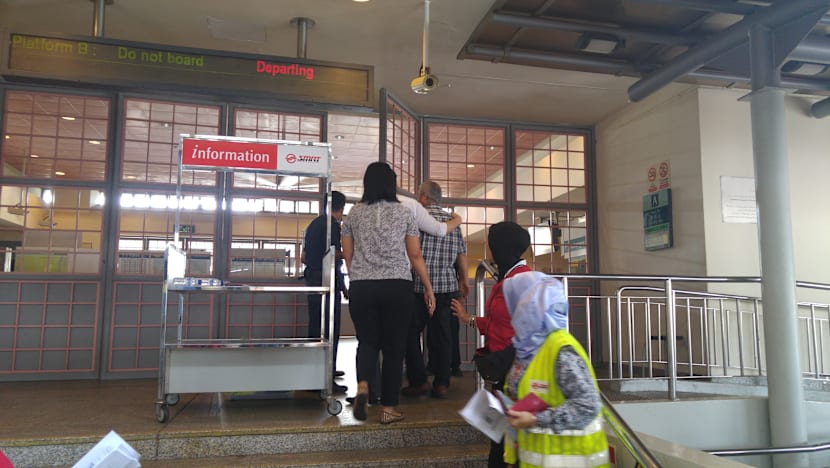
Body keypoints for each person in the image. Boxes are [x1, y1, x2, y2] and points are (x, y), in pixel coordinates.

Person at [342, 162, 436, 424]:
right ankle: (389, 408)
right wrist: (428, 287)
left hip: (362, 285)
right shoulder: (404, 212)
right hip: (397, 285)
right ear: (391, 184)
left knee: (368, 342)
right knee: (395, 348)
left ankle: (363, 385)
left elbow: (347, 255)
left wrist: (360, 275)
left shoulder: (354, 213)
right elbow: (415, 254)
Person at [501, 271, 609, 468]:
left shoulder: (562, 350)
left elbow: (588, 406)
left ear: (531, 306)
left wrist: (536, 419)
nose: (512, 312)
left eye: (517, 304)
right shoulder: (526, 349)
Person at [451, 221, 532, 468]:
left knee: (503, 444)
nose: (488, 247)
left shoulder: (522, 281)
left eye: (490, 242)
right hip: (504, 371)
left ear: (500, 246)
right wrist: (470, 319)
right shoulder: (507, 278)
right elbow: (501, 321)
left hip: (516, 372)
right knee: (499, 440)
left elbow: (529, 328)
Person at [401, 181, 467, 399]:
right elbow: (461, 253)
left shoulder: (416, 216)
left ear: (424, 197)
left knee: (410, 334)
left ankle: (419, 380)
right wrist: (464, 279)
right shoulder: (452, 221)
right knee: (443, 336)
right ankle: (442, 383)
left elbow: (412, 253)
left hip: (419, 285)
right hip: (447, 285)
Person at [302, 190, 348, 394]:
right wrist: (349, 252)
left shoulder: (312, 225)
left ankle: (318, 372)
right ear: (341, 207)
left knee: (316, 328)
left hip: (314, 281)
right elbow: (334, 254)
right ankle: (325, 378)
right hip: (327, 282)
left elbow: (304, 257)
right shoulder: (332, 225)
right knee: (330, 329)